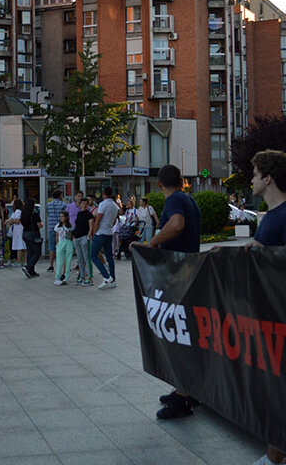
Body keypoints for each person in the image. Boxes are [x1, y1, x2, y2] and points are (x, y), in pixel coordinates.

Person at [245, 150, 286, 465]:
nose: (251, 179)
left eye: (255, 173)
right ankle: (275, 454)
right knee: (278, 393)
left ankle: (283, 457)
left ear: (267, 178)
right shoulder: (270, 217)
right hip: (271, 318)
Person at [131, 164, 203, 420]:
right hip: (190, 273)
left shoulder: (174, 201)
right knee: (186, 336)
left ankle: (184, 397)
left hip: (178, 277)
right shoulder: (189, 200)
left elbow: (177, 224)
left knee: (178, 336)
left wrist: (152, 242)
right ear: (182, 180)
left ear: (159, 185)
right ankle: (186, 389)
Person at [89, 187, 119, 290]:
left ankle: (106, 277)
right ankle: (113, 279)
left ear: (103, 194)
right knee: (109, 257)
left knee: (93, 255)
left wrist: (93, 232)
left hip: (101, 232)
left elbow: (98, 219)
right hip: (109, 232)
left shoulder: (103, 204)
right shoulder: (115, 206)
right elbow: (115, 221)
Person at [71, 198, 94, 286]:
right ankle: (82, 276)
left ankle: (89, 277)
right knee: (80, 259)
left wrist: (88, 236)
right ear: (80, 205)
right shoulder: (79, 214)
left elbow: (90, 227)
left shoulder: (89, 215)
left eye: (86, 204)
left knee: (86, 258)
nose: (84, 205)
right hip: (77, 237)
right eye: (83, 203)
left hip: (85, 237)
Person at [20, 197, 43, 278]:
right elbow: (40, 225)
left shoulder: (23, 213)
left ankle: (31, 271)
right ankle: (28, 267)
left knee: (30, 252)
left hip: (25, 233)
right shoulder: (34, 214)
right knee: (37, 252)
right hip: (33, 234)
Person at [45, 190, 67, 272]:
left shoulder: (49, 205)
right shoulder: (63, 204)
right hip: (61, 228)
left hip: (51, 227)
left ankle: (51, 265)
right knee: (62, 247)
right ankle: (62, 265)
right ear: (60, 195)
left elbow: (48, 213)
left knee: (52, 247)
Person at [53, 211, 74, 286]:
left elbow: (71, 236)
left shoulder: (70, 226)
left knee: (68, 260)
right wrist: (57, 244)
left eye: (63, 216)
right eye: (60, 216)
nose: (61, 218)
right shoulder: (58, 226)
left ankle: (66, 276)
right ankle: (57, 277)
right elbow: (56, 236)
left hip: (68, 242)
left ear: (67, 217)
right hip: (61, 242)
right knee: (59, 261)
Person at [8, 198, 26, 266]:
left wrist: (11, 221)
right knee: (23, 246)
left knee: (19, 245)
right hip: (20, 229)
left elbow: (17, 221)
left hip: (18, 230)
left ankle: (18, 261)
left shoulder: (18, 211)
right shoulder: (21, 211)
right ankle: (25, 261)